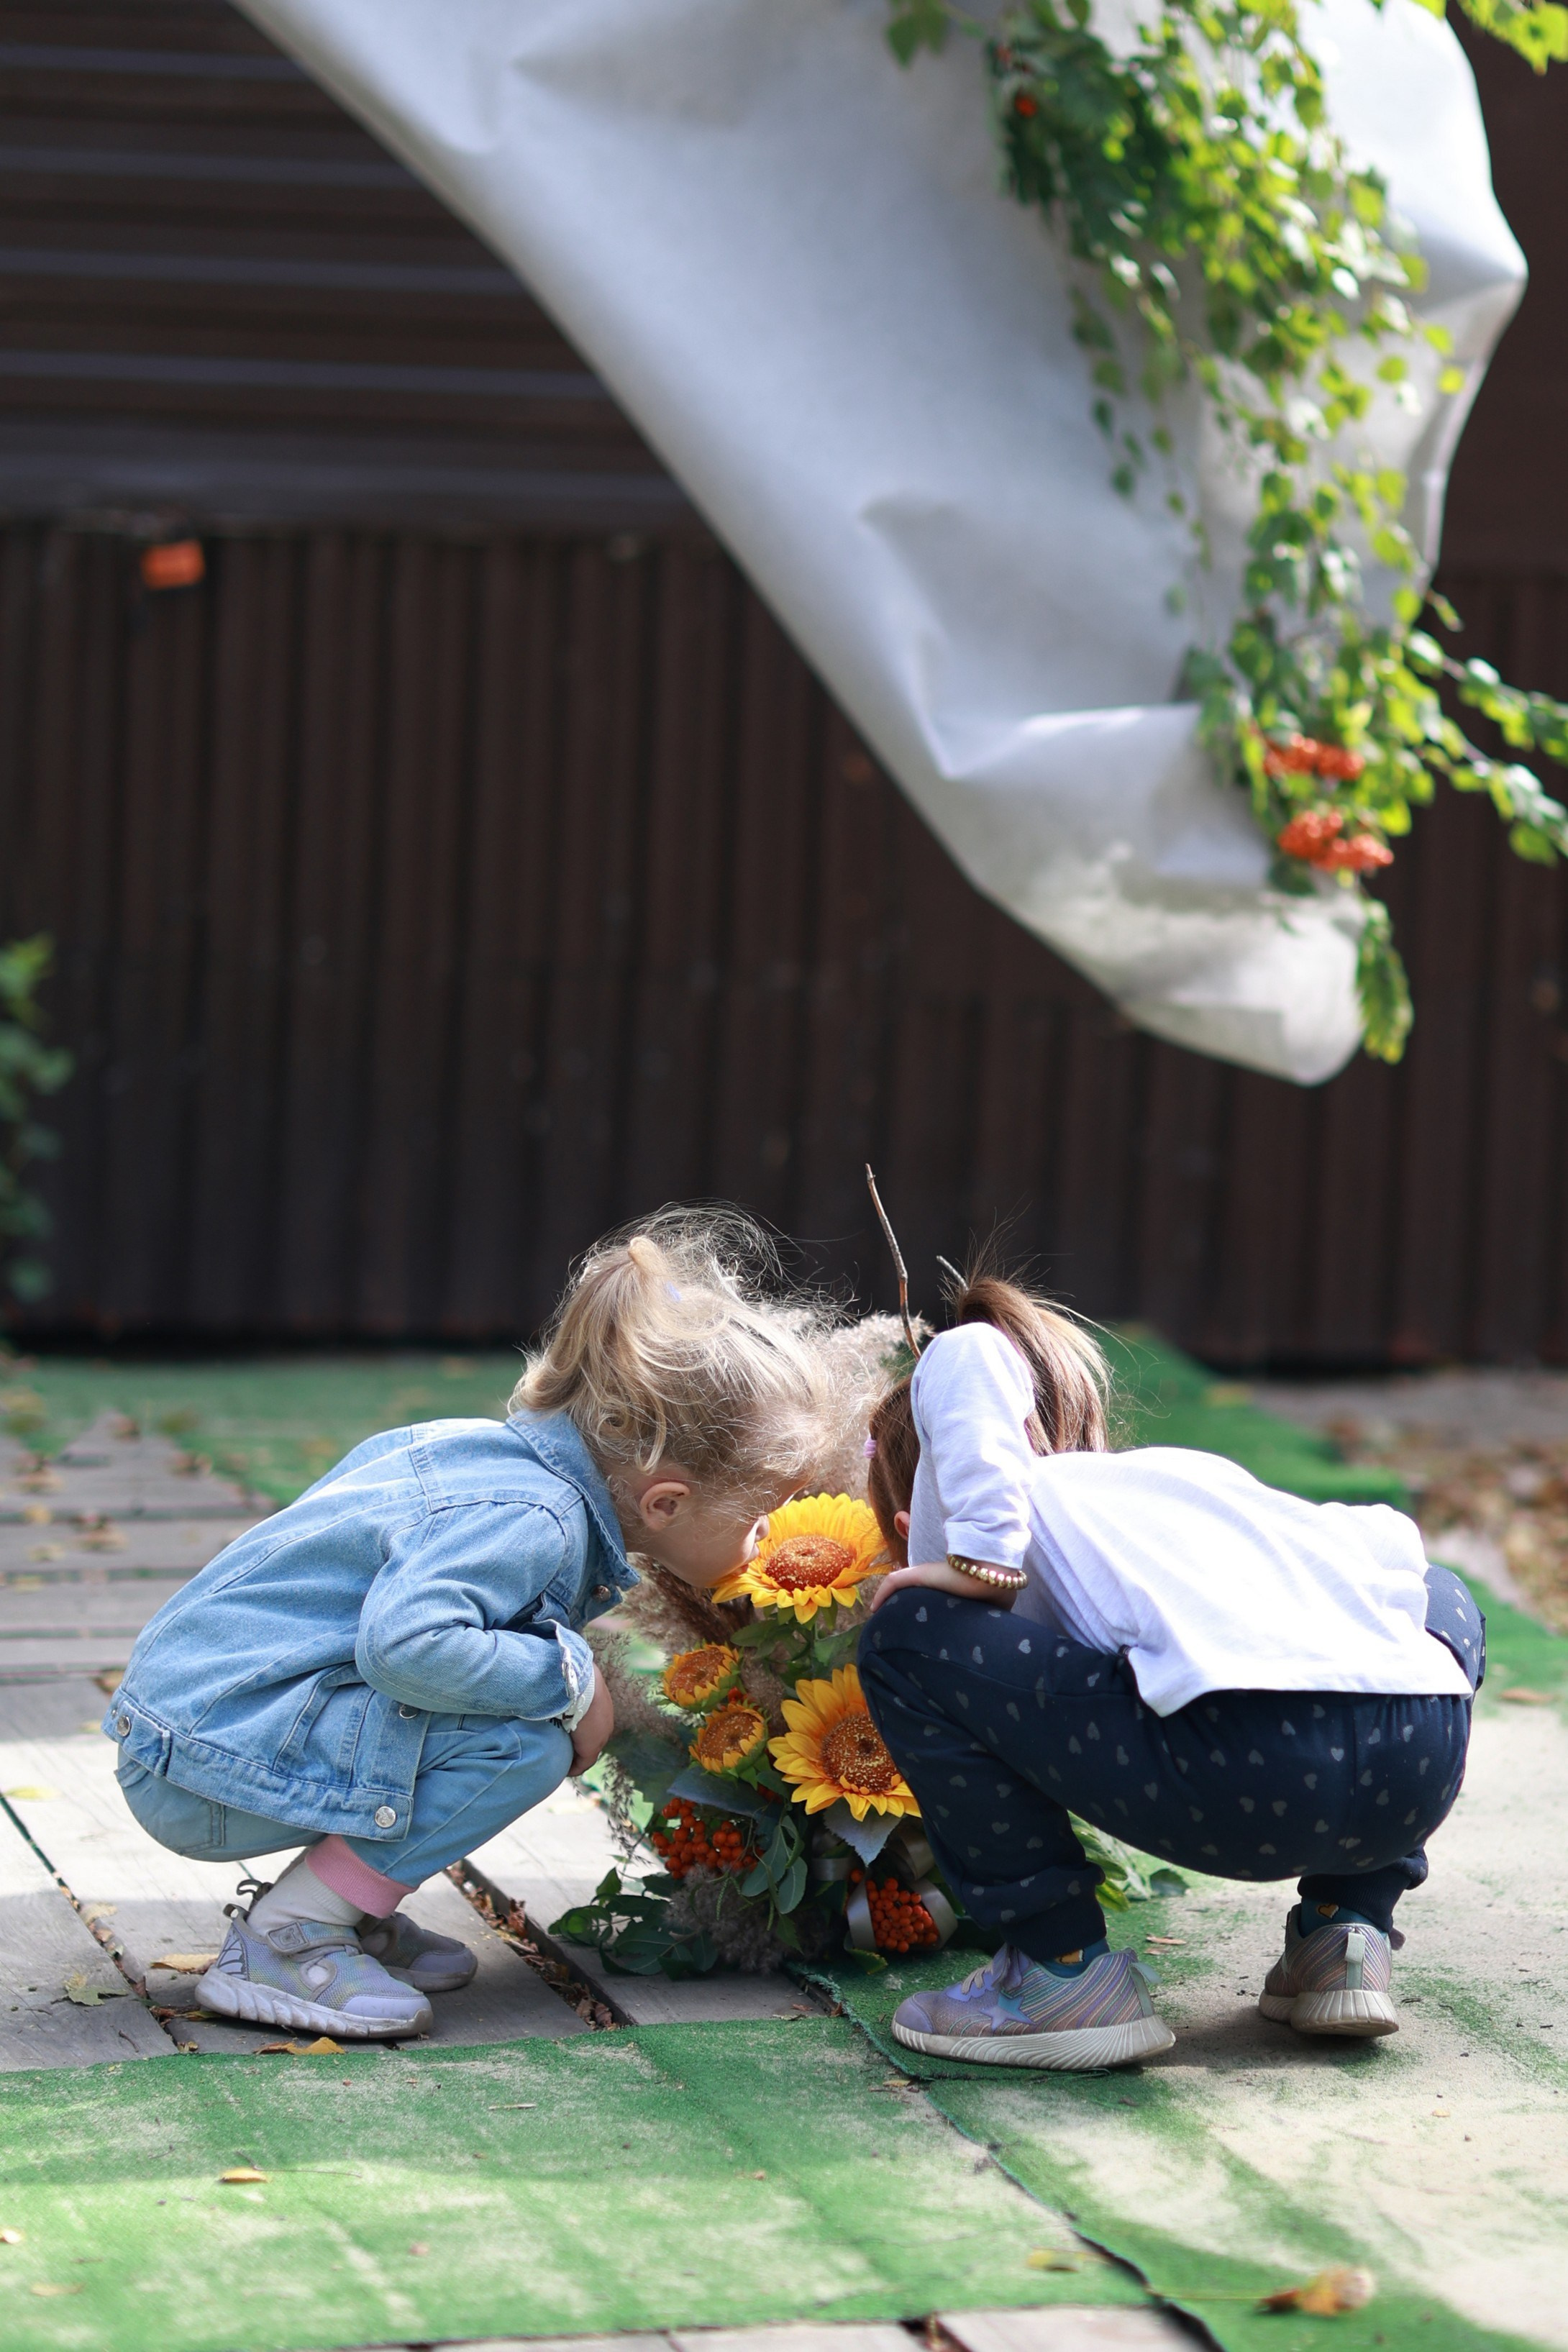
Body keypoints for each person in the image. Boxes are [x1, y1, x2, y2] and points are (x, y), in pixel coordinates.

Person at [105, 1213, 837, 2041]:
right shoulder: (538, 1518)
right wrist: (572, 1678)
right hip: (208, 1769)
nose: (770, 1540)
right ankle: (292, 1935)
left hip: (197, 1728)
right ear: (665, 1502)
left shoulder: (477, 1453)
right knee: (525, 1744)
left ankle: (345, 1907)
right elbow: (405, 1646)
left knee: (507, 1716)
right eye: (761, 1519)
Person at [857, 1272, 1482, 2072]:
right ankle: (1343, 1930)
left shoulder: (985, 1510)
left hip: (1241, 1780)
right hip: (1412, 1775)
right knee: (1440, 1594)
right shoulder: (1179, 1488)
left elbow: (970, 1352)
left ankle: (1058, 1974)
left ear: (912, 1519)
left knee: (902, 1636)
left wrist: (976, 1556)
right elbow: (1393, 1545)